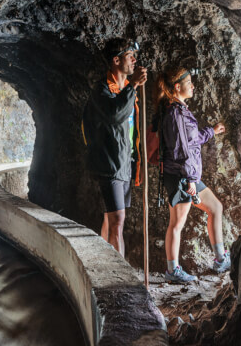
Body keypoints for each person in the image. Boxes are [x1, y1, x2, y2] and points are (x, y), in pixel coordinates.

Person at [153, 66, 231, 283]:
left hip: (187, 175)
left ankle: (220, 258)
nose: (193, 85)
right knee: (177, 223)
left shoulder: (179, 109)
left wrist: (211, 132)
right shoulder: (175, 112)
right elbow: (180, 150)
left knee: (215, 208)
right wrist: (189, 180)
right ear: (177, 87)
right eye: (189, 82)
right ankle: (172, 271)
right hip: (182, 175)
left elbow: (192, 139)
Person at [82, 39, 148, 256]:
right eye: (130, 56)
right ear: (116, 60)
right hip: (109, 163)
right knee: (118, 220)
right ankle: (119, 276)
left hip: (124, 163)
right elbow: (115, 115)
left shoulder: (126, 90)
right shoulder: (101, 89)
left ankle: (105, 263)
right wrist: (134, 86)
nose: (134, 60)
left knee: (110, 218)